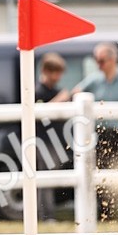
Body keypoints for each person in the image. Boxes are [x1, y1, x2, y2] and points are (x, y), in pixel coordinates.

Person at [73, 42, 118, 168]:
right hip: (101, 134)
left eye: (101, 61)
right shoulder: (94, 80)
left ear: (113, 60)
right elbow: (75, 93)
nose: (98, 65)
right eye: (96, 60)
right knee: (99, 170)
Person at [34, 52, 70, 221]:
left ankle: (46, 214)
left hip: (55, 141)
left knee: (49, 176)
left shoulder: (55, 91)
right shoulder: (37, 91)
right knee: (45, 177)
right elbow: (40, 112)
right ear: (46, 71)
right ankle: (45, 215)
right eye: (55, 72)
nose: (58, 77)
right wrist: (61, 99)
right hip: (42, 141)